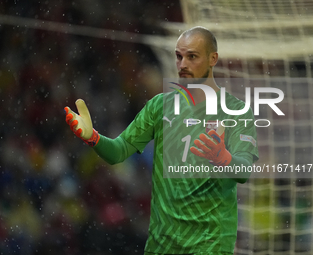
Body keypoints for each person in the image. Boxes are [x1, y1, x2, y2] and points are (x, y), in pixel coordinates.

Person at [64, 26, 259, 255]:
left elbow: (244, 170)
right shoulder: (159, 106)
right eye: (179, 56)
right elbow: (119, 151)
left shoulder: (237, 112)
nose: (182, 64)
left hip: (210, 244)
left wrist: (223, 158)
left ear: (212, 59)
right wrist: (93, 137)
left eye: (192, 56)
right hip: (162, 244)